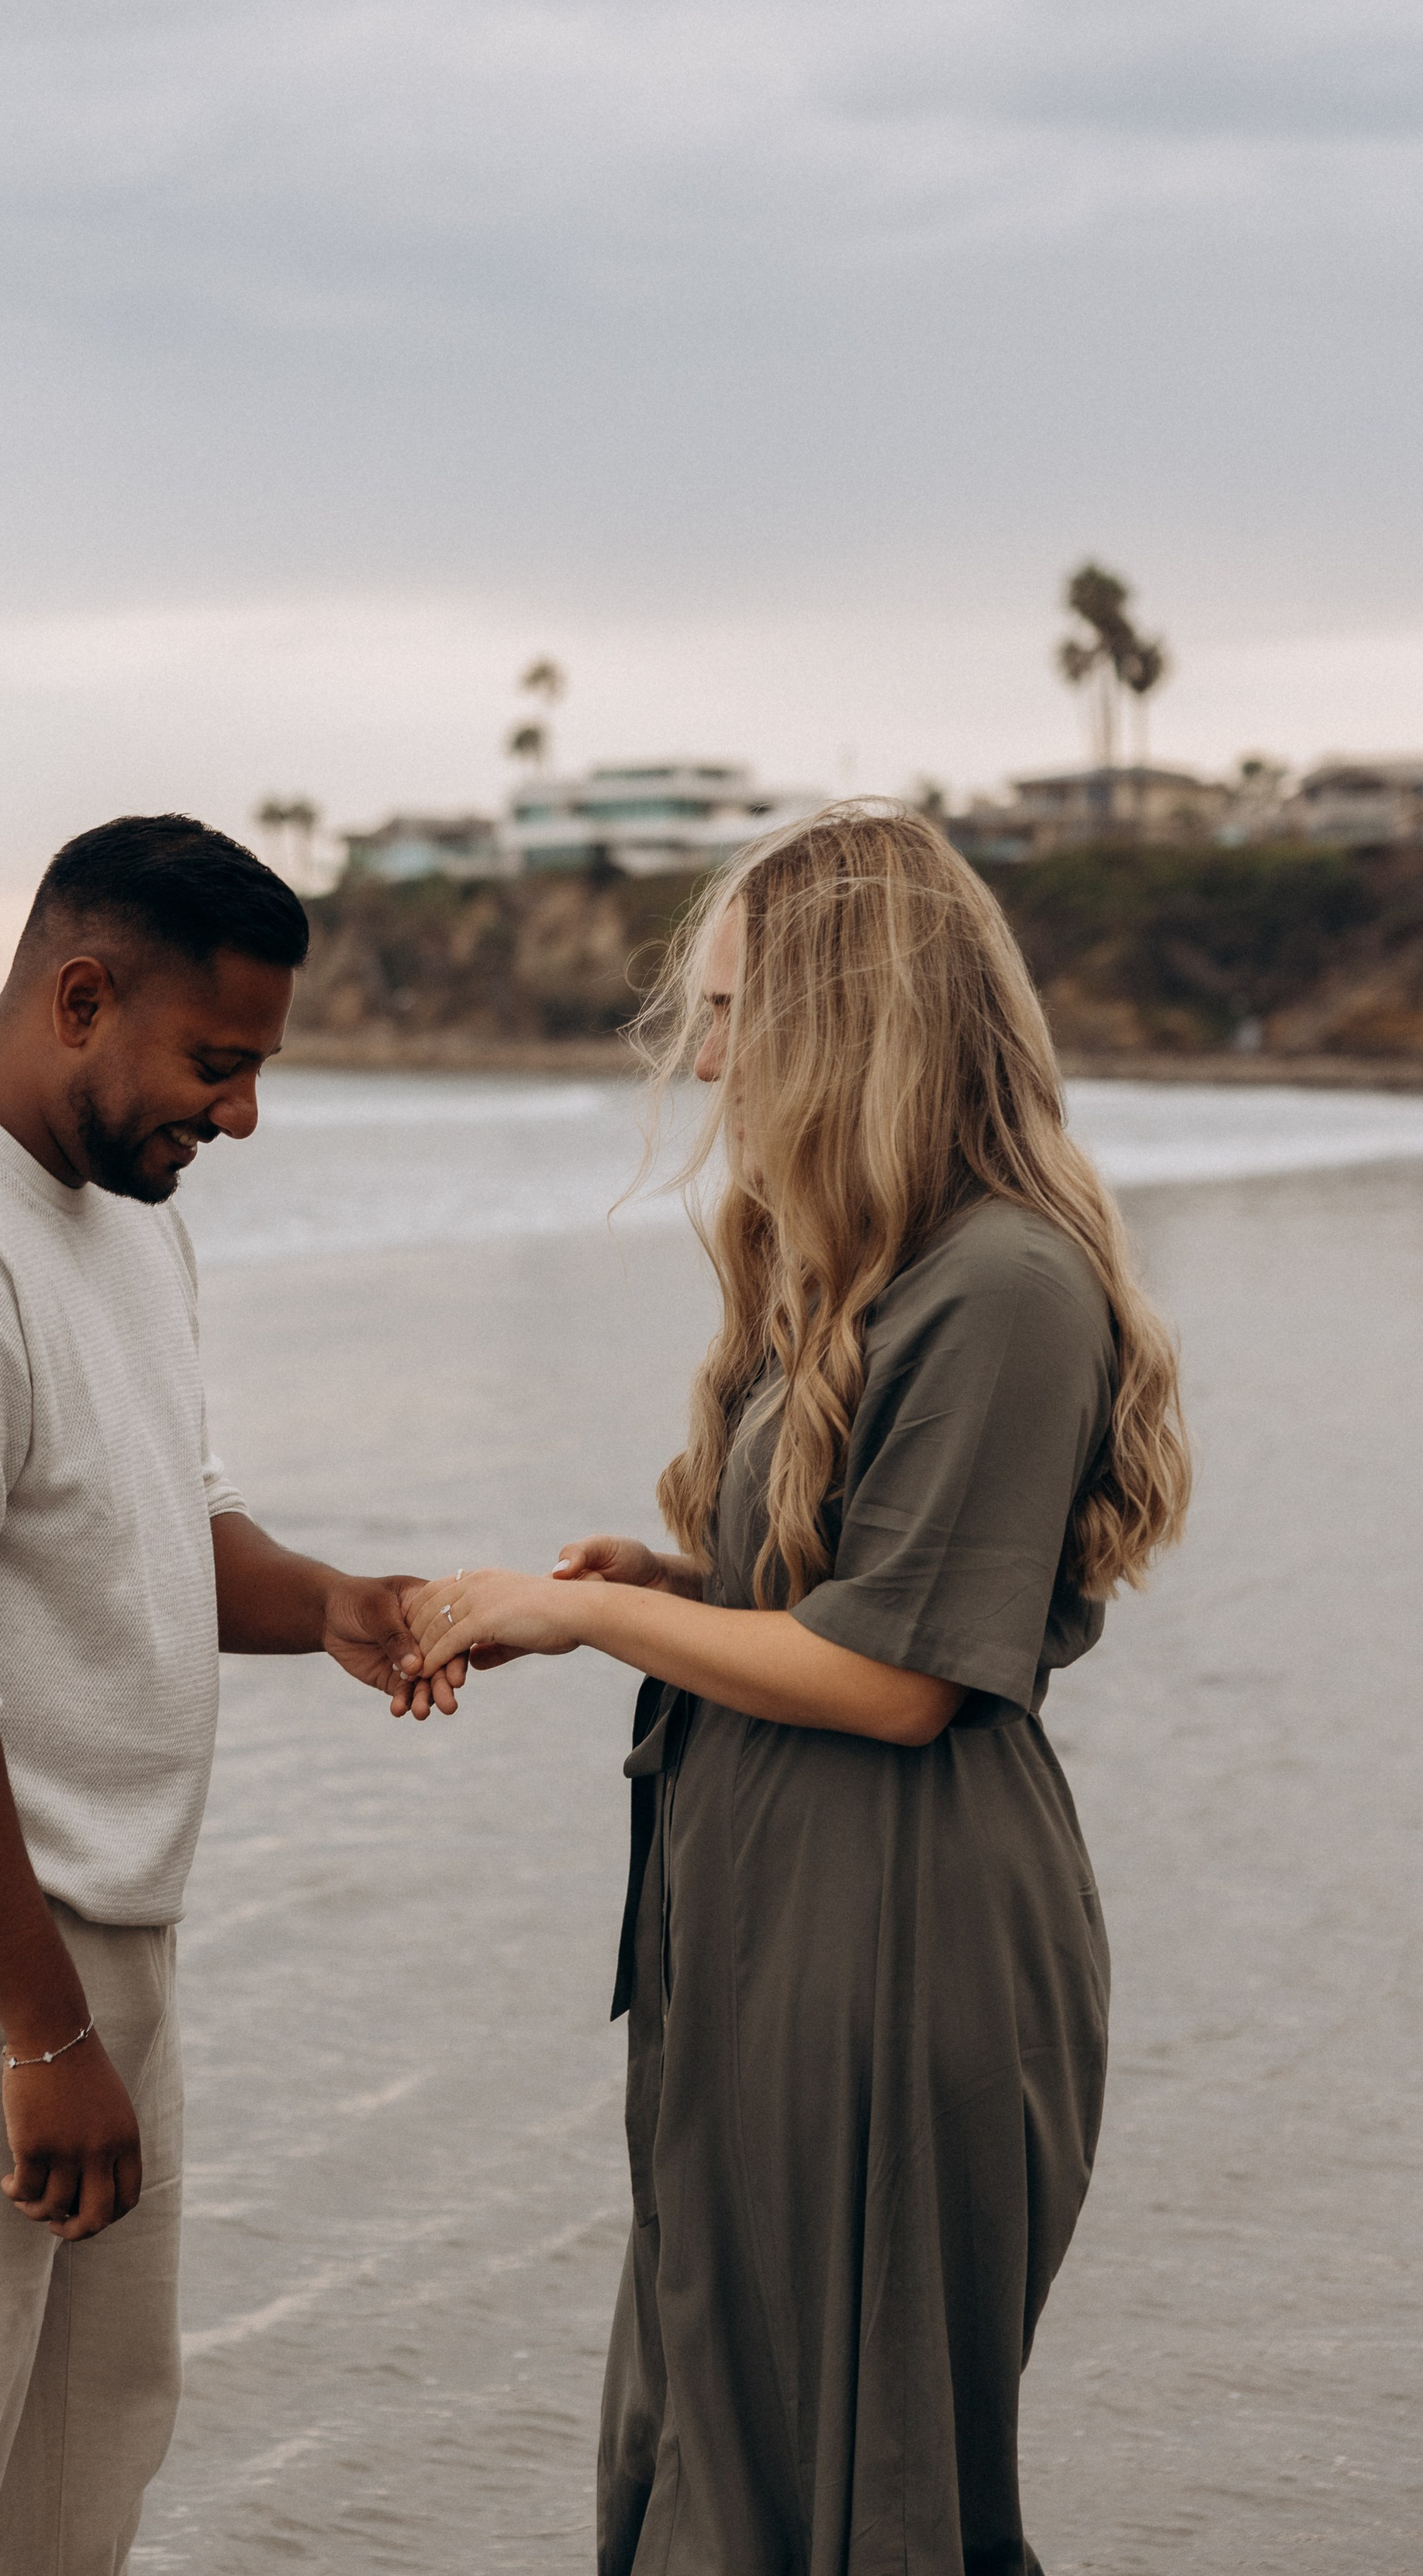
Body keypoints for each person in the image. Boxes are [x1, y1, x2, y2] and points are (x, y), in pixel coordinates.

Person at [406, 803, 1190, 2576]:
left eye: (729, 1005)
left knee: (865, 2466)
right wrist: (678, 1588)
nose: (701, 1053)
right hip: (766, 1910)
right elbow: (853, 1601)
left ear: (854, 1013)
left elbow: (901, 1679)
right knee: (723, 2416)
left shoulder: (1001, 1285)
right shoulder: (872, 1266)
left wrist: (581, 1623)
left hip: (897, 1932)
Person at [0, 814, 460, 2576]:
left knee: (78, 2472)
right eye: (216, 1064)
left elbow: (160, 1518)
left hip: (82, 1930)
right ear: (79, 996)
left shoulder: (124, 1218)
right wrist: (42, 2033)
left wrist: (336, 1605)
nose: (239, 1116)